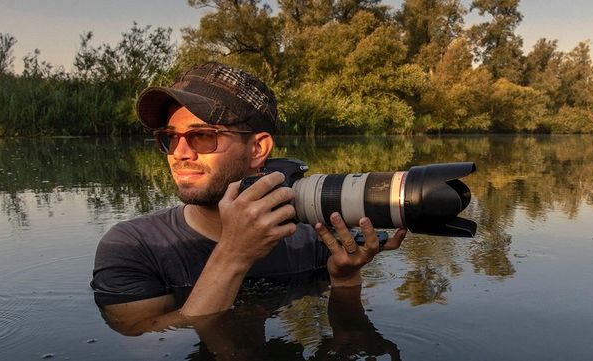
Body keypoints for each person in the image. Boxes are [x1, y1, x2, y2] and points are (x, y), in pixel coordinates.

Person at [90, 62, 406, 334]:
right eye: (169, 138)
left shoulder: (311, 239)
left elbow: (346, 331)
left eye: (201, 136)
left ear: (257, 149)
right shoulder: (133, 246)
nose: (180, 153)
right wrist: (235, 252)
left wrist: (346, 278)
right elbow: (150, 347)